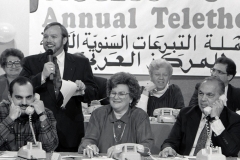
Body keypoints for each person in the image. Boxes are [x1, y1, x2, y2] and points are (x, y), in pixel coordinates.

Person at [20, 22, 98, 151]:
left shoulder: (80, 63)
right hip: (37, 132)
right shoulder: (31, 62)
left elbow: (93, 93)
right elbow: (19, 88)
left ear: (65, 39)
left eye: (53, 36)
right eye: (45, 37)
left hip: (70, 133)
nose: (48, 40)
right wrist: (42, 76)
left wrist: (83, 89)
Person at [159, 76, 240, 157]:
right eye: (201, 93)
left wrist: (215, 120)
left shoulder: (234, 119)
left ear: (221, 98)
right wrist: (168, 148)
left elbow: (231, 151)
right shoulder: (186, 114)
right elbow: (171, 142)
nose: (203, 99)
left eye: (209, 95)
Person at [78, 72, 154, 158]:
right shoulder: (98, 113)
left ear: (131, 98)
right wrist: (89, 146)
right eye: (113, 93)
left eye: (121, 94)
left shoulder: (140, 116)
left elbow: (147, 145)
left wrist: (123, 150)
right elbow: (88, 140)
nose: (116, 97)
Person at [0, 76, 58, 151]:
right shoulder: (1, 110)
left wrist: (42, 115)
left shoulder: (46, 113)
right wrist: (10, 118)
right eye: (19, 97)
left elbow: (50, 147)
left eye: (28, 97)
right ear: (10, 97)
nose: (24, 103)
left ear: (34, 97)